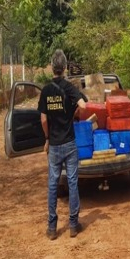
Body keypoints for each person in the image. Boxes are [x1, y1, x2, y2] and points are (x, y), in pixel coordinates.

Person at [38, 49, 87, 240]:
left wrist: (47, 138)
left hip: (55, 145)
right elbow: (83, 106)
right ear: (65, 67)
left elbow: (43, 119)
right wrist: (74, 106)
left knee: (52, 184)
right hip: (69, 143)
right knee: (73, 182)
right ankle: (73, 225)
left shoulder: (46, 90)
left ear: (52, 67)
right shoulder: (68, 88)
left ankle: (52, 228)